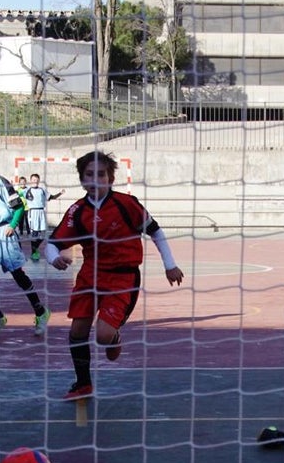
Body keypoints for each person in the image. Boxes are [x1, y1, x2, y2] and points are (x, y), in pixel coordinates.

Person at [45, 151, 185, 401]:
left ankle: (114, 337)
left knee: (102, 336)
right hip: (89, 277)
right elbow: (52, 244)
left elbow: (155, 231)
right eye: (89, 174)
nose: (95, 179)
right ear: (82, 179)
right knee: (77, 330)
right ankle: (83, 384)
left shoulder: (126, 204)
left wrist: (170, 265)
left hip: (122, 279)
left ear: (110, 179)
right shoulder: (77, 211)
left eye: (101, 174)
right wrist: (54, 258)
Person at [0, 142, 50, 339]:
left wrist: (13, 225)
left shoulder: (1, 182)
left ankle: (40, 312)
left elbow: (19, 206)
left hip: (4, 232)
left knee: (17, 275)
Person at [24, 173, 65, 261]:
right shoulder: (27, 191)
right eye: (33, 180)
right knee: (34, 234)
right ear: (31, 181)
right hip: (33, 212)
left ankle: (35, 248)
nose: (35, 181)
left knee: (43, 234)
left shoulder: (42, 190)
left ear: (39, 181)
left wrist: (60, 193)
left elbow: (52, 197)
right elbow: (18, 196)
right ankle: (34, 253)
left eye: (36, 180)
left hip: (41, 212)